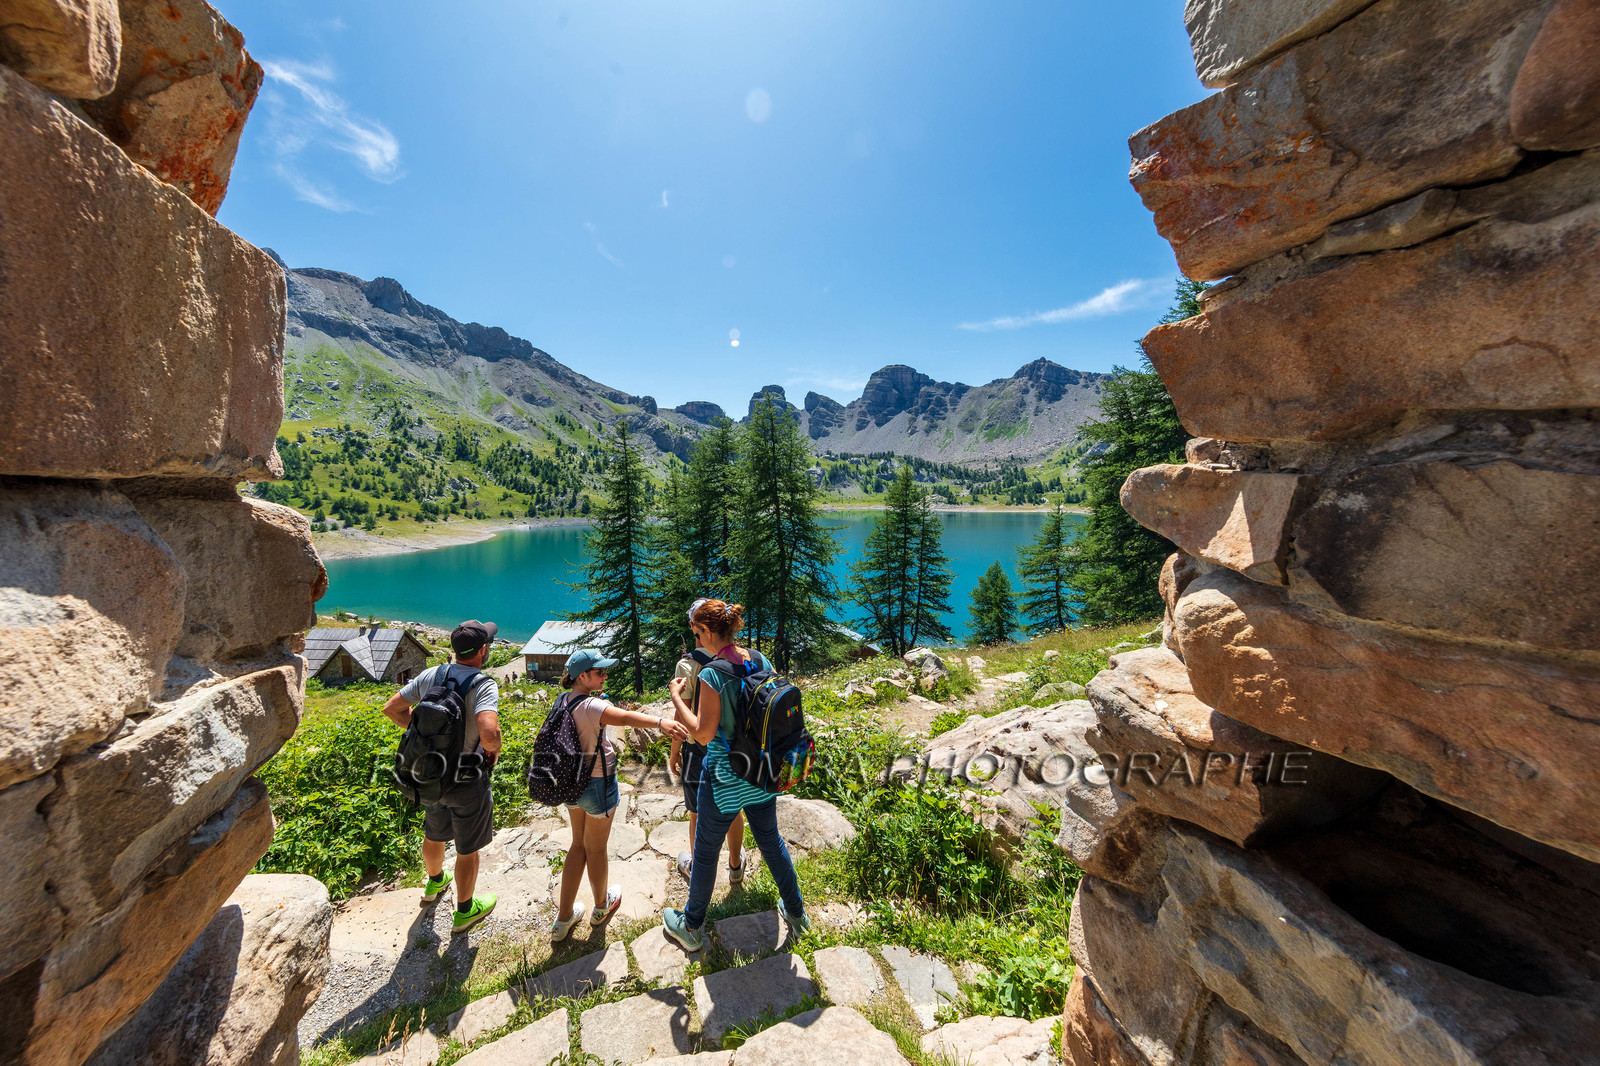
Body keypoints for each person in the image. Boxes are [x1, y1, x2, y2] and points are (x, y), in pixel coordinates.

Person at [661, 599, 809, 951]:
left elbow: (702, 733)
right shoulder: (759, 659)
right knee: (771, 843)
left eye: (698, 633)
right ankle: (797, 914)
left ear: (709, 631)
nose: (696, 639)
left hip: (725, 781)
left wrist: (676, 698)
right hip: (762, 774)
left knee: (706, 851)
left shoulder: (712, 673)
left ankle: (692, 926)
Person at [552, 647, 690, 941]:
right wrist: (661, 722)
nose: (605, 676)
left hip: (569, 781)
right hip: (596, 785)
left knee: (577, 845)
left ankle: (563, 919)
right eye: (599, 672)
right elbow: (626, 718)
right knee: (596, 849)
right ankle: (601, 907)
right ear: (582, 676)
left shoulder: (564, 699)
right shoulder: (593, 707)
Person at [382, 619, 502, 935]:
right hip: (466, 778)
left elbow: (392, 708)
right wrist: (494, 751)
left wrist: (423, 739)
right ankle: (465, 911)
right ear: (483, 650)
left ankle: (435, 883)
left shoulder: (432, 675)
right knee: (467, 847)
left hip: (431, 772)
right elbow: (489, 731)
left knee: (434, 832)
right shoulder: (483, 684)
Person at [669, 598, 746, 885]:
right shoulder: (742, 657)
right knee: (733, 807)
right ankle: (735, 865)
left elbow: (683, 714)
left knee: (696, 812)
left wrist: (675, 752)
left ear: (696, 627)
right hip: (736, 748)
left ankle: (697, 869)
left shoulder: (687, 665)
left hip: (700, 747)